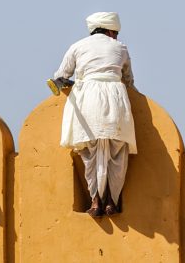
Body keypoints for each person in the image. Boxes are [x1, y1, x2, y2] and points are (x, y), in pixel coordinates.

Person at [53, 12, 136, 217]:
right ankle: (112, 201)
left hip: (87, 100)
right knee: (117, 152)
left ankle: (95, 201)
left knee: (90, 152)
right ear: (110, 31)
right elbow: (128, 79)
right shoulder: (120, 48)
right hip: (116, 100)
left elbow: (61, 76)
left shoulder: (78, 46)